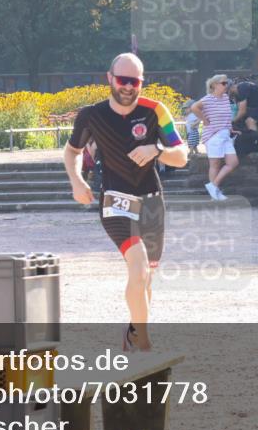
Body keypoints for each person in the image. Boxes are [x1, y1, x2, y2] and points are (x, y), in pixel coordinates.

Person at [63, 53, 188, 352]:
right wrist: (77, 181)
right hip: (115, 200)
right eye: (123, 80)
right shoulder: (91, 115)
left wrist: (157, 150)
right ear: (110, 78)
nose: (129, 87)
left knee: (146, 278)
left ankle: (133, 332)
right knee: (138, 265)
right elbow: (72, 151)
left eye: (135, 81)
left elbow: (182, 156)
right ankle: (144, 344)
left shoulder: (156, 110)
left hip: (152, 202)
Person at [191, 74, 236, 201]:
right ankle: (215, 194)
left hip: (225, 135)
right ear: (214, 85)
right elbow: (194, 107)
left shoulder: (226, 98)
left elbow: (227, 117)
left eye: (227, 83)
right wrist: (204, 120)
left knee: (233, 162)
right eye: (223, 83)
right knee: (215, 164)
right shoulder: (208, 99)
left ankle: (213, 186)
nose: (226, 85)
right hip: (213, 136)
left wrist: (230, 129)